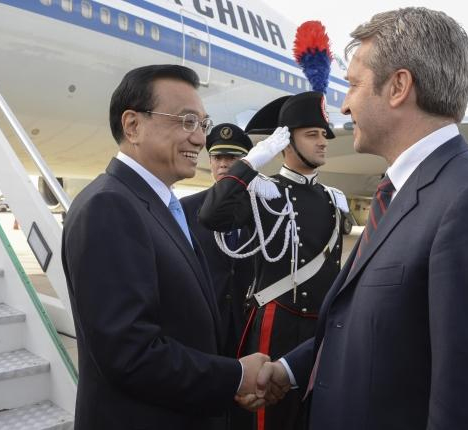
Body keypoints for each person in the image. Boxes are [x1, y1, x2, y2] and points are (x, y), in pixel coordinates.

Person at [248, 8, 468, 430]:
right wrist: (289, 371)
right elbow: (374, 328)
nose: (344, 105)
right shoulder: (403, 190)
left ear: (399, 87)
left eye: (353, 85)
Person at [61, 64, 269, 430]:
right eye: (186, 121)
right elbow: (131, 354)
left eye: (202, 124)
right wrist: (235, 377)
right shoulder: (109, 206)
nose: (200, 139)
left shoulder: (158, 205)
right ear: (133, 126)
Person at [199, 91, 348, 430]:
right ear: (286, 141)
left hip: (319, 328)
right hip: (277, 323)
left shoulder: (334, 199)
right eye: (312, 134)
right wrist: (250, 164)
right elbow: (212, 215)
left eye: (323, 134)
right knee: (269, 420)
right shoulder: (265, 191)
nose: (322, 142)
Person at [182, 123, 255, 358]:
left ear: (245, 163)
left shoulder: (261, 208)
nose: (223, 164)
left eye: (232, 158)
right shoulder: (187, 208)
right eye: (217, 157)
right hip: (205, 320)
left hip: (248, 321)